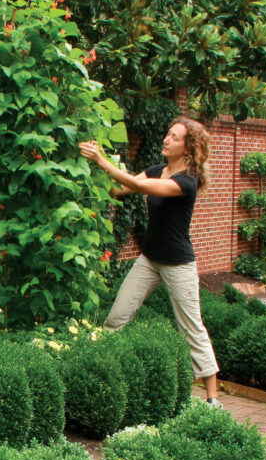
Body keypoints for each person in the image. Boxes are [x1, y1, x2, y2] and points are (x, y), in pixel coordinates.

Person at [78, 117, 221, 407]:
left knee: (191, 326)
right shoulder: (159, 170)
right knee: (117, 315)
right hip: (150, 259)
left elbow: (138, 185)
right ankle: (93, 370)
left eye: (175, 137)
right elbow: (120, 189)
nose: (166, 139)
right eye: (167, 134)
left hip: (178, 263)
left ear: (188, 148)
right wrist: (96, 166)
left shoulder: (185, 183)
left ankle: (213, 399)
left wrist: (103, 161)